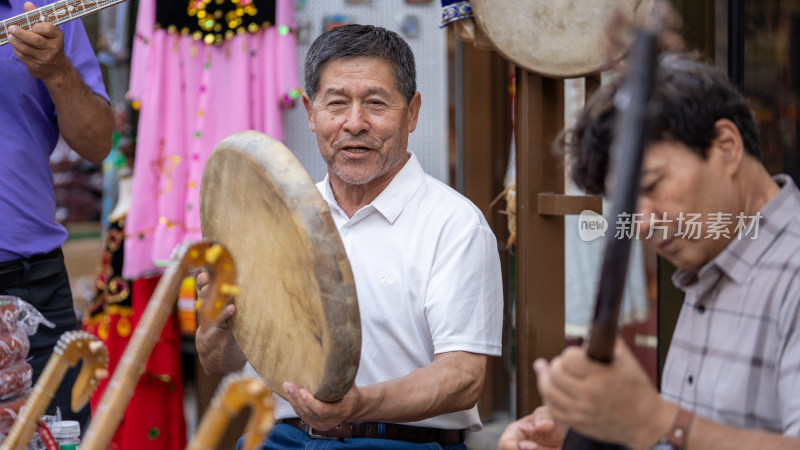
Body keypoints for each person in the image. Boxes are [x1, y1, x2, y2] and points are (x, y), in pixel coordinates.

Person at [195, 24, 503, 449]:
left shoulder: (454, 224)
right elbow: (217, 362)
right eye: (336, 103)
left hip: (403, 444)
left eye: (376, 104)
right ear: (310, 111)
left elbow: (463, 378)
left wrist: (358, 404)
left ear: (412, 111)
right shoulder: (274, 221)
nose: (354, 123)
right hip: (283, 438)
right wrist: (218, 324)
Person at [499, 52, 800, 450]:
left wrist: (658, 421)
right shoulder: (713, 263)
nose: (641, 222)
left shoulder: (790, 270)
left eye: (652, 184)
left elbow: (673, 428)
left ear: (726, 146)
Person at [0, 0, 113, 432]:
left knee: (59, 437)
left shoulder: (49, 8)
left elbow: (98, 142)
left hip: (31, 288)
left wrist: (59, 70)